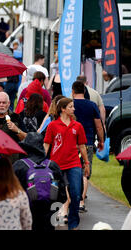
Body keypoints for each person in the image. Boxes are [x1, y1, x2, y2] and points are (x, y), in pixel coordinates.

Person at [43, 98, 90, 230]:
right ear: (63, 109)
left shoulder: (77, 126)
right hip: (55, 165)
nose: (73, 109)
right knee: (54, 194)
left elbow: (82, 146)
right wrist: (40, 160)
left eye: (73, 107)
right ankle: (52, 220)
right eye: (70, 107)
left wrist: (86, 163)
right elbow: (46, 145)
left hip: (74, 163)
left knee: (76, 194)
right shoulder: (52, 125)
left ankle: (73, 222)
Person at [13, 132, 66, 231]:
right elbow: (63, 195)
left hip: (26, 213)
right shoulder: (52, 166)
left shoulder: (19, 166)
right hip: (49, 213)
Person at [71, 81, 105, 212]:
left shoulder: (69, 105)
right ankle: (81, 202)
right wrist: (101, 141)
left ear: (73, 91)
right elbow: (98, 125)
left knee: (72, 170)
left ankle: (70, 199)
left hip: (72, 143)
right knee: (85, 172)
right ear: (85, 92)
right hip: (88, 142)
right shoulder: (92, 105)